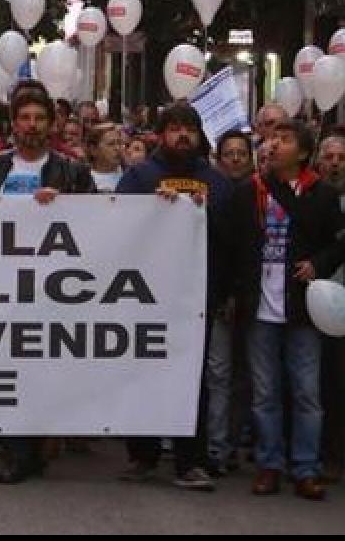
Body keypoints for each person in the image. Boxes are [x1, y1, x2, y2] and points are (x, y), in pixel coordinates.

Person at [0, 81, 95, 484]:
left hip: (53, 292)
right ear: (13, 125)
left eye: (40, 118)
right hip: (2, 289)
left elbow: (103, 223)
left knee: (43, 370)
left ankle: (33, 445)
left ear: (51, 124)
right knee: (9, 368)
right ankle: (20, 450)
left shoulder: (72, 171)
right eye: (24, 118)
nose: (32, 125)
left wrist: (66, 206)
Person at [221, 121, 344, 500]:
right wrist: (231, 293)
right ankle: (269, 464)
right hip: (260, 307)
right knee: (265, 391)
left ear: (304, 154)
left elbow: (338, 242)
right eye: (272, 139)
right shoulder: (250, 191)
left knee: (306, 392)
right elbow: (231, 245)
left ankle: (305, 467)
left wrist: (318, 266)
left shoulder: (320, 194)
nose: (274, 144)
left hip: (301, 309)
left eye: (285, 140)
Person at [116, 102, 232, 491]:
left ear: (199, 136)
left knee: (192, 381)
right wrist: (153, 209)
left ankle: (191, 461)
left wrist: (202, 213)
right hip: (145, 298)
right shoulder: (139, 177)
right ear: (161, 135)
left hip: (196, 301)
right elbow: (114, 227)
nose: (182, 135)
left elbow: (232, 242)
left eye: (189, 129)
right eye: (174, 128)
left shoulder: (216, 182)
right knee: (142, 373)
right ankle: (143, 455)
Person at [205, 130, 256, 476]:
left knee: (246, 376)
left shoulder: (260, 195)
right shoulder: (212, 196)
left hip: (253, 299)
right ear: (218, 159)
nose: (236, 159)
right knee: (220, 373)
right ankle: (216, 448)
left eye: (241, 153)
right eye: (229, 153)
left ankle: (234, 441)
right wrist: (225, 294)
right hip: (221, 297)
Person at [315, 134, 345, 482]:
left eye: (341, 157)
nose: (335, 162)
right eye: (329, 156)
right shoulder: (312, 197)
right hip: (319, 302)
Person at [85, 123, 125, 193]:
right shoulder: (81, 179)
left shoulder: (132, 176)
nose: (117, 148)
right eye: (111, 144)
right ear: (93, 150)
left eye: (119, 143)